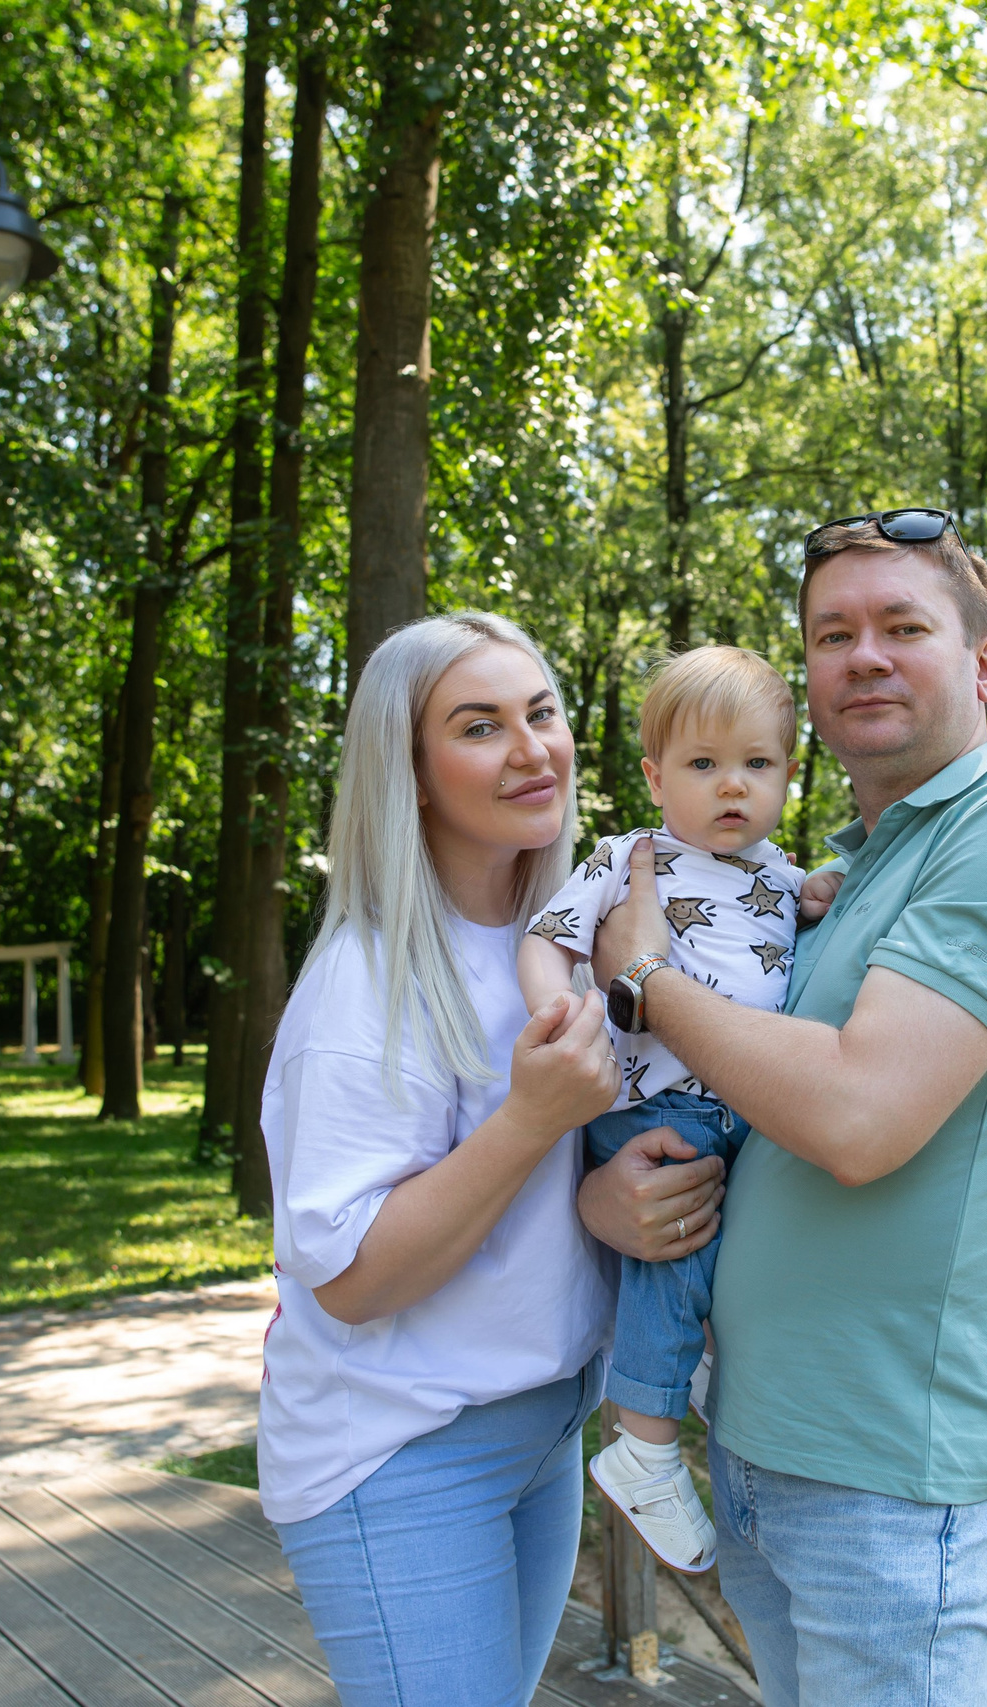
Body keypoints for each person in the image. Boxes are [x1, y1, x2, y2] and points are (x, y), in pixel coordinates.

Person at [593, 508, 987, 1703]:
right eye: (833, 635)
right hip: (761, 1439)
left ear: (984, 663)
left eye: (902, 626)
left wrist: (644, 976)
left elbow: (856, 1119)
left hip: (887, 1467)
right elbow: (750, 1096)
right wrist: (612, 1192)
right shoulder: (849, 865)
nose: (864, 655)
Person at [254, 612, 722, 1706]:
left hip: (544, 1425)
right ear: (409, 773)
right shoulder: (363, 985)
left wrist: (601, 1195)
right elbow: (356, 1278)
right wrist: (529, 1122)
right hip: (405, 1453)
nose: (533, 749)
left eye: (542, 713)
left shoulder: (576, 935)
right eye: (479, 727)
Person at [517, 645, 830, 1572]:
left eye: (757, 765)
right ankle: (645, 1445)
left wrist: (815, 900)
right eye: (703, 764)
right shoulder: (631, 858)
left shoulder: (780, 875)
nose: (731, 786)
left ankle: (679, 1369)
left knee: (735, 1239)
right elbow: (550, 938)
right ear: (656, 777)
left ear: (787, 773)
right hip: (661, 1103)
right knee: (679, 1240)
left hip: (744, 1104)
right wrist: (559, 1012)